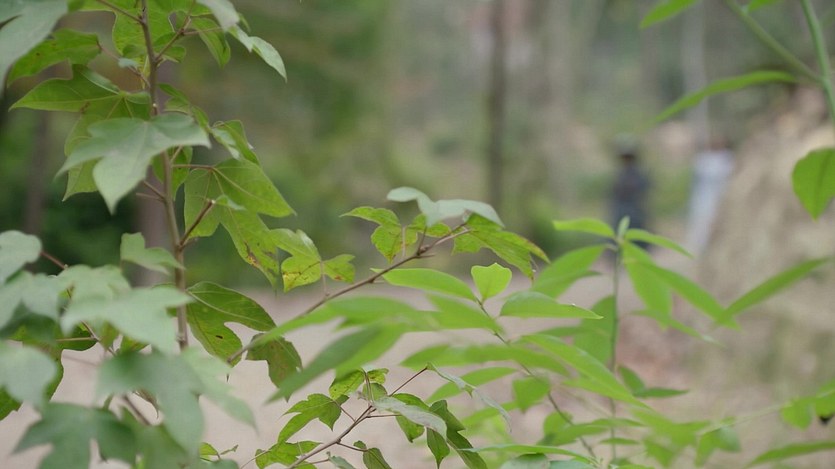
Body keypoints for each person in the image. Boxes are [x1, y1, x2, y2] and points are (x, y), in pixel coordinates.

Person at [686, 136, 735, 254]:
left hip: (720, 195)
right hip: (704, 195)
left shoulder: (727, 158)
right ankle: (700, 246)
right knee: (702, 220)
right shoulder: (704, 159)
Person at [610, 143, 651, 235]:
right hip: (621, 211)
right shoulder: (620, 175)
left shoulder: (638, 175)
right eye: (625, 158)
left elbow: (643, 190)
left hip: (634, 212)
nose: (626, 160)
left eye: (628, 158)